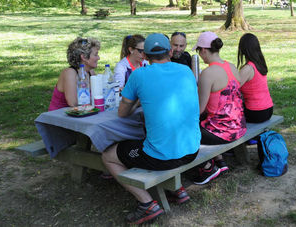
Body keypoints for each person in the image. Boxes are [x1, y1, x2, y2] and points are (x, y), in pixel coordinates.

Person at [101, 33, 200, 225]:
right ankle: (176, 189)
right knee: (154, 136)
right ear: (170, 51)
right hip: (192, 150)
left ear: (145, 56)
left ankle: (146, 203)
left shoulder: (139, 75)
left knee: (108, 155)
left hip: (162, 157)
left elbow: (122, 113)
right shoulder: (186, 71)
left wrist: (139, 96)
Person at [193, 31, 246, 184]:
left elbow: (200, 109)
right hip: (239, 127)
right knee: (206, 121)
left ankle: (207, 168)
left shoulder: (208, 73)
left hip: (222, 133)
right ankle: (220, 162)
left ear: (203, 50)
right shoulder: (231, 66)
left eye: (199, 51)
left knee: (182, 131)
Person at [49, 37, 100, 111]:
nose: (98, 58)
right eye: (96, 55)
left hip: (82, 114)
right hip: (59, 117)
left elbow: (98, 95)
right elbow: (73, 103)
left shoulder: (91, 72)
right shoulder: (70, 73)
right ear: (84, 57)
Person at [237, 33, 273, 123]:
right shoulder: (260, 64)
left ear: (243, 49)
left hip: (256, 112)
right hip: (269, 109)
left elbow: (232, 87)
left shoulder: (248, 69)